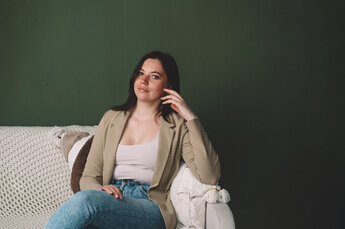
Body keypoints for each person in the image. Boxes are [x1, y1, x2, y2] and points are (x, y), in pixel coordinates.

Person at [44, 51, 221, 229]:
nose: (144, 81)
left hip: (149, 205)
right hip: (111, 198)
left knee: (85, 201)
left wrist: (191, 118)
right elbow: (90, 175)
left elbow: (210, 175)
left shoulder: (178, 125)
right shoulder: (111, 118)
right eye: (140, 73)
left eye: (154, 76)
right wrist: (99, 190)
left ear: (169, 85)